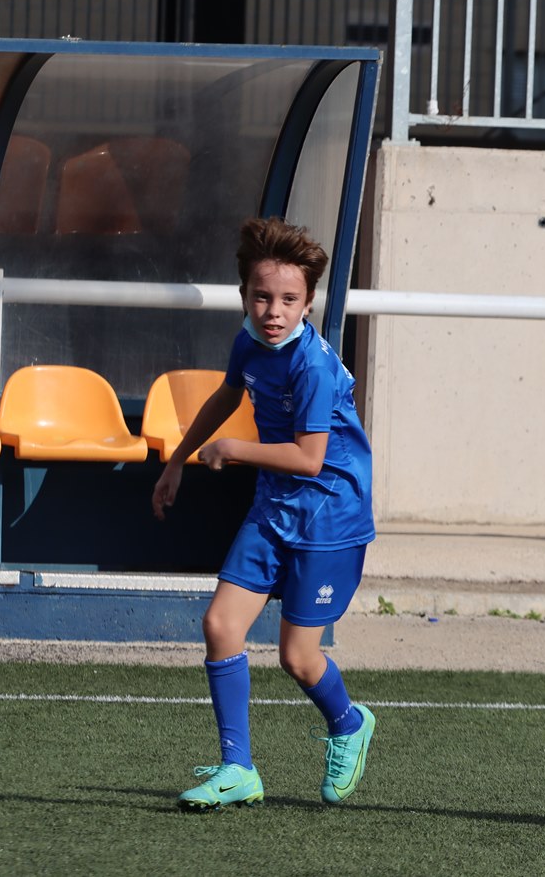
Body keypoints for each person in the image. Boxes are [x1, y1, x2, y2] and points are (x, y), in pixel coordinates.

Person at [153, 216, 377, 812]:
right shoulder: (249, 341)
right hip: (274, 506)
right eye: (261, 296)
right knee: (220, 626)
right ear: (244, 295)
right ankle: (238, 769)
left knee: (298, 658)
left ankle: (350, 723)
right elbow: (229, 393)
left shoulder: (313, 367)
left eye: (288, 300)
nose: (273, 311)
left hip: (330, 516)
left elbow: (309, 459)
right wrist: (177, 460)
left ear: (309, 303)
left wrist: (233, 449)